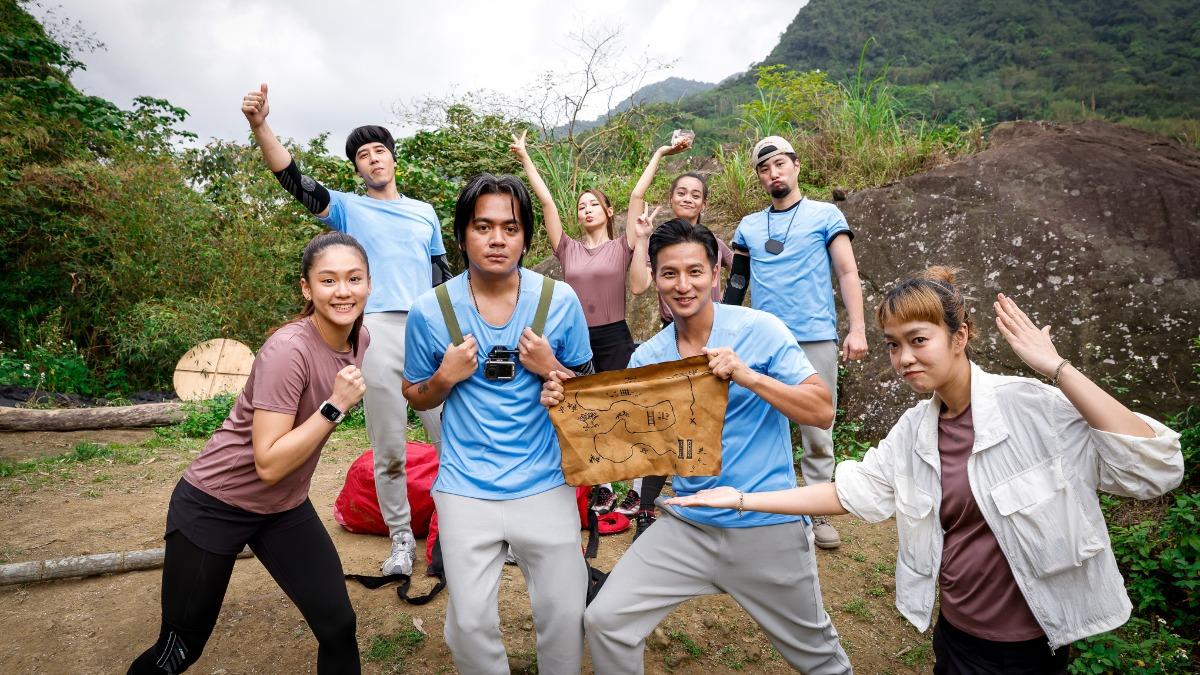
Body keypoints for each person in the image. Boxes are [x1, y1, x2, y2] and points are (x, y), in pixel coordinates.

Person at [669, 267, 1185, 674]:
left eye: (918, 340)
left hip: (1029, 645)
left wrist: (1056, 368)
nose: (903, 358)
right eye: (893, 344)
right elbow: (851, 493)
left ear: (960, 337)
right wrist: (737, 499)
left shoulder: (1033, 406)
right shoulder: (916, 430)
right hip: (956, 633)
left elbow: (1153, 468)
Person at [544, 218, 853, 674]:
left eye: (694, 272)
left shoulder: (761, 330)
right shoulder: (648, 358)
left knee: (818, 657)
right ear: (653, 278)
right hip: (688, 521)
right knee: (607, 620)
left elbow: (821, 410)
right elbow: (620, 442)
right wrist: (568, 400)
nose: (682, 285)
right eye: (669, 273)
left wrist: (748, 375)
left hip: (766, 521)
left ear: (714, 275)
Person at [129, 232, 370, 674]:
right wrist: (334, 407)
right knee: (179, 649)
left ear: (369, 284)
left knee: (338, 625)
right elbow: (270, 462)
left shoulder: (360, 338)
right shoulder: (288, 349)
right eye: (328, 280)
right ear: (307, 288)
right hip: (214, 505)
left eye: (354, 279)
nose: (343, 292)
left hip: (283, 509)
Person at [242, 83, 446, 576]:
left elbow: (441, 275)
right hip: (375, 332)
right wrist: (260, 126)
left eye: (379, 151)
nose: (372, 159)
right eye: (362, 155)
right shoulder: (350, 208)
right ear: (356, 169)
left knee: (452, 439)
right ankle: (402, 542)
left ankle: (465, 533)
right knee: (390, 445)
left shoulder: (424, 213)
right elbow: (293, 179)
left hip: (429, 334)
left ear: (393, 160)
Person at [401, 173, 595, 674]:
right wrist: (444, 378)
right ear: (462, 234)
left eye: (510, 228)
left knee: (564, 611)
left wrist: (553, 367)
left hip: (545, 481)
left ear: (526, 236)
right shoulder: (431, 310)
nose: (496, 239)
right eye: (482, 226)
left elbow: (586, 389)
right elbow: (414, 390)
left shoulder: (559, 300)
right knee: (467, 621)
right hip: (465, 486)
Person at [722, 135, 869, 550]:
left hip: (814, 334)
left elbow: (847, 273)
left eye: (780, 164)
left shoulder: (825, 215)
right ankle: (750, 503)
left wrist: (856, 329)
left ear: (797, 165)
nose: (774, 174)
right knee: (751, 422)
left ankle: (817, 510)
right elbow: (737, 284)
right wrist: (722, 331)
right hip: (761, 338)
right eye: (765, 169)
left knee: (817, 426)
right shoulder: (749, 226)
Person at [509, 130, 644, 514]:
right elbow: (547, 202)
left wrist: (662, 154)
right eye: (581, 206)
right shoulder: (567, 249)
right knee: (584, 411)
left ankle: (634, 488)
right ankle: (601, 487)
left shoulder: (622, 247)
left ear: (608, 212)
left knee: (626, 412)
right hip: (577, 340)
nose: (585, 210)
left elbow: (636, 197)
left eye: (593, 205)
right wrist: (525, 158)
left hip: (616, 336)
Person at [618, 136, 736, 533]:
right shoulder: (656, 241)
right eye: (681, 192)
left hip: (715, 341)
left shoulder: (715, 245)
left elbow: (742, 273)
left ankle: (713, 507)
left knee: (712, 425)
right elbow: (637, 285)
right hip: (673, 337)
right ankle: (646, 509)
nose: (688, 198)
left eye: (696, 194)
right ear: (671, 198)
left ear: (704, 203)